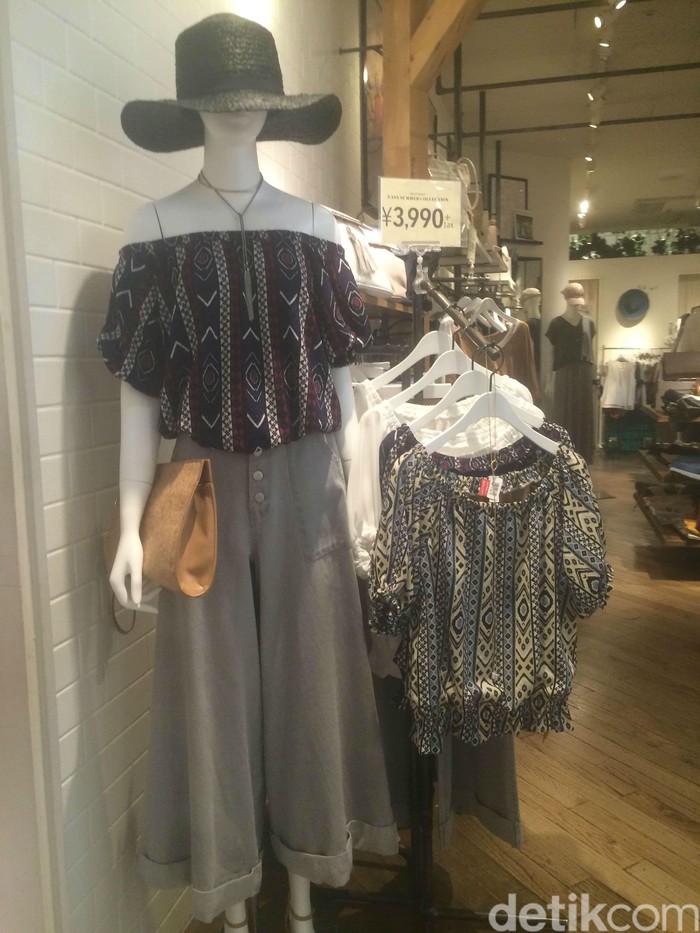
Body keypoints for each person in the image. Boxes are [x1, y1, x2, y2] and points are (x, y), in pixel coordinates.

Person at [97, 14, 396, 932]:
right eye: (220, 94)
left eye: (253, 93)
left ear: (276, 105)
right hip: (191, 480)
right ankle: (229, 894)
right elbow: (138, 392)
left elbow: (343, 389)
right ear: (190, 108)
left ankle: (302, 890)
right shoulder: (151, 232)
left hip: (308, 475)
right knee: (207, 683)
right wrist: (128, 524)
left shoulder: (315, 230)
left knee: (311, 674)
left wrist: (361, 498)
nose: (238, 108)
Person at [545, 282, 596, 461]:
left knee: (583, 414)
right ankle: (563, 455)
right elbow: (552, 353)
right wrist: (550, 378)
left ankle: (583, 455)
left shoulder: (589, 323)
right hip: (564, 374)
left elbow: (591, 351)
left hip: (584, 374)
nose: (576, 306)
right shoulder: (556, 324)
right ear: (565, 299)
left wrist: (594, 377)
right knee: (563, 413)